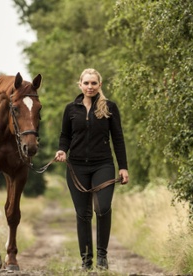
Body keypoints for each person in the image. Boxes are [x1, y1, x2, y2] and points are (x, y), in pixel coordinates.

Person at [55, 68, 129, 271]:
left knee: (103, 208)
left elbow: (118, 139)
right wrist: (62, 150)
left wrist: (123, 167)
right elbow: (65, 135)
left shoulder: (109, 107)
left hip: (103, 164)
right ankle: (86, 261)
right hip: (76, 167)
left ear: (100, 85)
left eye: (93, 83)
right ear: (80, 84)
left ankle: (102, 257)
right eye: (86, 83)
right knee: (83, 214)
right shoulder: (71, 109)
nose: (90, 87)